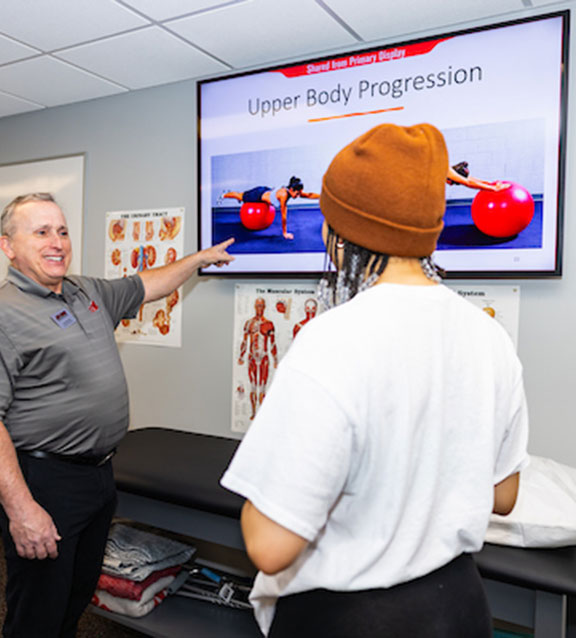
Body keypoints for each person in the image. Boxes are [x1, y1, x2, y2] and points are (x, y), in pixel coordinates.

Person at [220, 123, 530, 637]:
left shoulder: (332, 338)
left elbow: (270, 547)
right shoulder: (488, 334)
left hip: (354, 618)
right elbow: (504, 495)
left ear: (339, 232)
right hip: (458, 608)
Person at [0, 192, 233, 638]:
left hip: (97, 476)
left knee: (75, 597)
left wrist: (199, 259)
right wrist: (22, 511)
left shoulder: (86, 291)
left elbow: (149, 283)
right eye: (40, 232)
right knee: (37, 610)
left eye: (61, 231)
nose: (56, 241)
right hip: (43, 483)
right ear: (8, 247)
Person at [238, 297, 277, 420]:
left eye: (262, 306)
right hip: (252, 358)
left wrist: (275, 359)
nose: (259, 308)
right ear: (255, 307)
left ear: (264, 307)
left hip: (264, 357)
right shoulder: (249, 323)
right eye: (258, 305)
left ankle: (262, 414)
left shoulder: (269, 324)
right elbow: (244, 341)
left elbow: (273, 343)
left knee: (263, 386)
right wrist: (241, 355)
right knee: (253, 385)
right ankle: (254, 413)